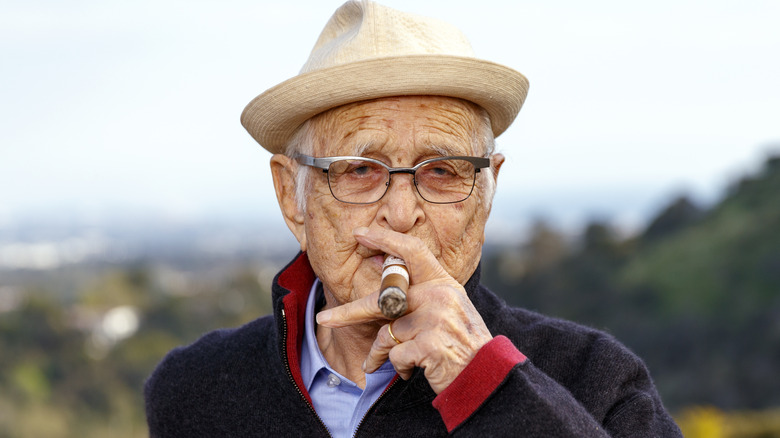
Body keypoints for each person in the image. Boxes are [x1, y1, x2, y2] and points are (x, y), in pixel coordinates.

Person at [144, 1, 683, 436]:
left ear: (488, 189)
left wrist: (484, 383)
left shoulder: (595, 380)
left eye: (443, 171)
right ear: (292, 195)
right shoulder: (193, 388)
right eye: (359, 170)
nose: (402, 214)